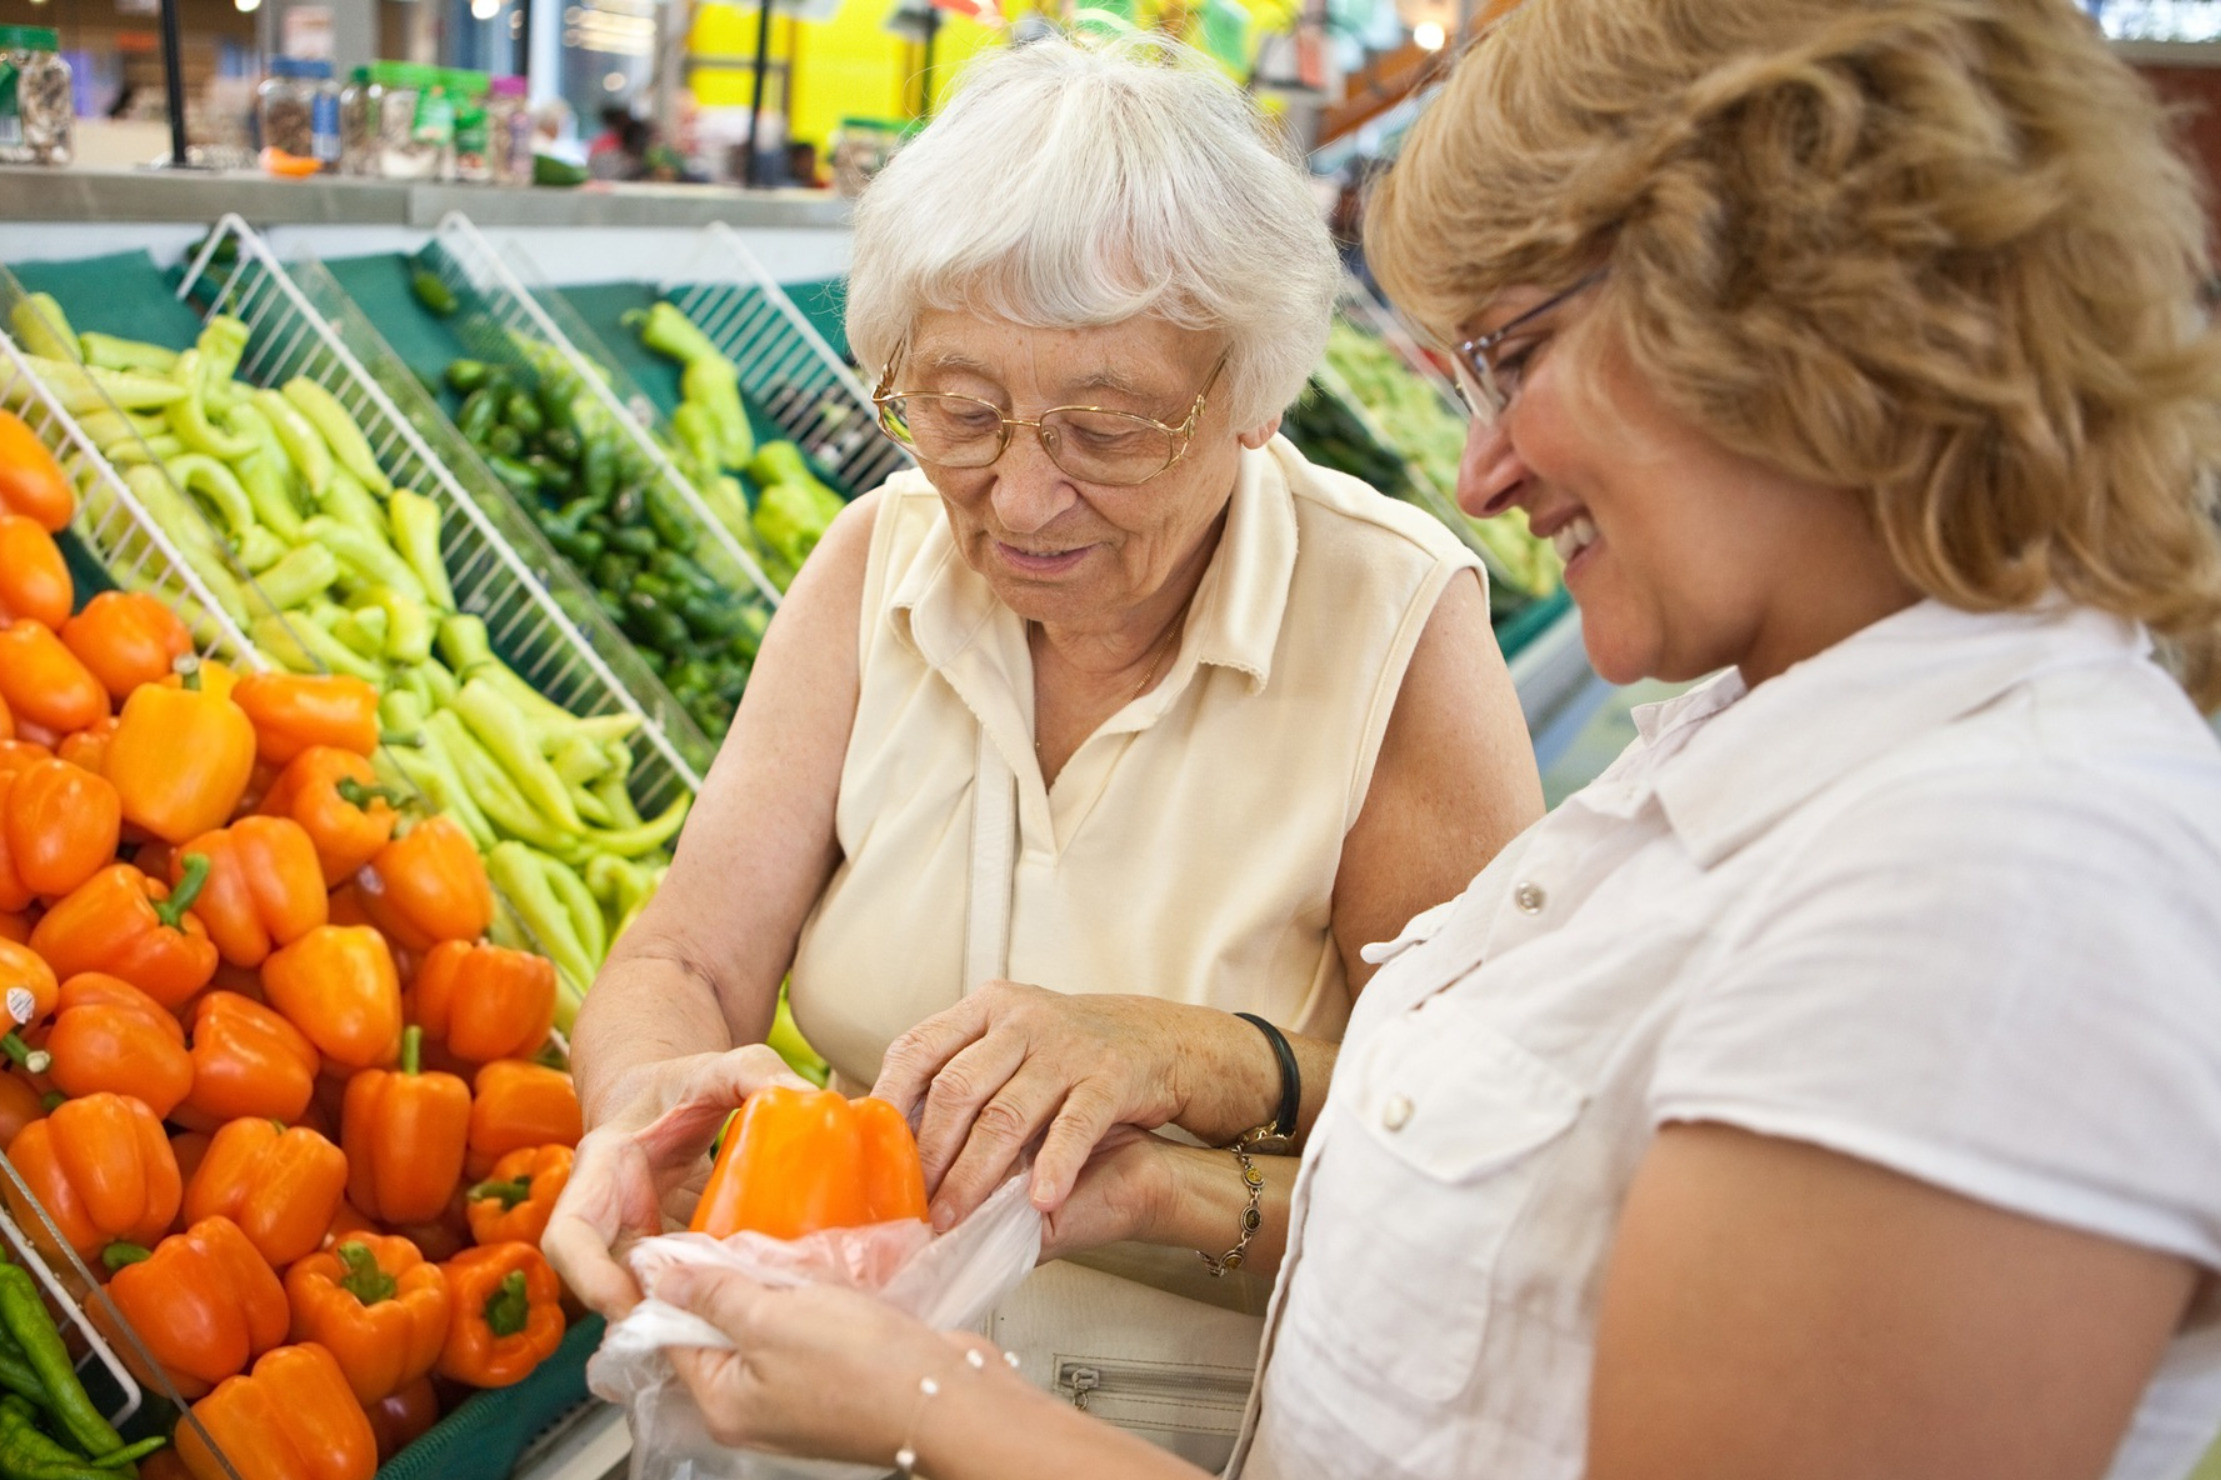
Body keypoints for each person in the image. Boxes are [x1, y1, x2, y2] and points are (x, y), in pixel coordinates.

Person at [617, 2, 2221, 1477]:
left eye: (1512, 356)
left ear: (1797, 324)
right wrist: (1153, 1187)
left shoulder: (2003, 880)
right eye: (961, 413)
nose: (1479, 472)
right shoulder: (1760, 764)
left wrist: (932, 1401)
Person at [542, 30, 1542, 1445]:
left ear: (1251, 399)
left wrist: (1192, 1064)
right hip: (804, 1413)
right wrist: (642, 1096)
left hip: (1189, 1432)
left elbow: (1472, 1146)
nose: (1017, 497)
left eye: (1108, 428)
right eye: (957, 412)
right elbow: (687, 957)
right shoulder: (872, 564)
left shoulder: (1389, 617)